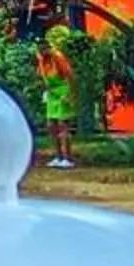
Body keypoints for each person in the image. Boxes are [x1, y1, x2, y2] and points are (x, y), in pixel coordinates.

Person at [39, 25, 77, 167]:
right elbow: (44, 78)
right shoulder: (42, 61)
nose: (43, 53)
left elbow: (70, 76)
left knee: (63, 126)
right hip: (51, 94)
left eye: (44, 49)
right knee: (51, 125)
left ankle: (67, 158)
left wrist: (70, 95)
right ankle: (57, 156)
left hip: (63, 91)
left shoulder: (58, 57)